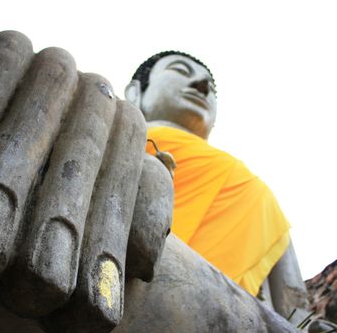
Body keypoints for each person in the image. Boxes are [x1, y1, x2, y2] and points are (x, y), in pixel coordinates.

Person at [125, 51, 291, 297]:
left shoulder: (254, 189)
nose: (202, 86)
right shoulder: (119, 133)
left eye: (211, 88)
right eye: (180, 71)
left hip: (213, 312)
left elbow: (288, 298)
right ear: (135, 92)